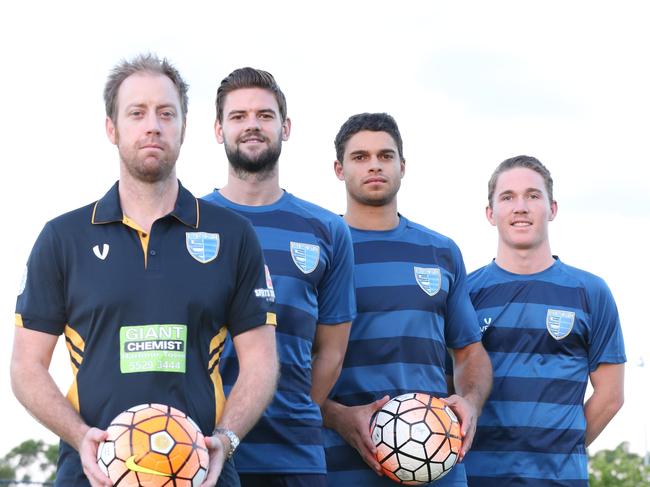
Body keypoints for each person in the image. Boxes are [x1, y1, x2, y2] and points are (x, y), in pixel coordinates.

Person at [11, 54, 279, 487]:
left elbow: (261, 363)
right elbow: (26, 366)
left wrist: (225, 440)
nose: (152, 125)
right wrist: (80, 437)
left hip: (202, 473)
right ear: (112, 128)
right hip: (91, 475)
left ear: (183, 127)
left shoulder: (233, 235)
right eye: (137, 113)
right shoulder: (63, 238)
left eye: (166, 113)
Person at [203, 68, 356, 487]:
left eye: (264, 115)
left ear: (284, 128)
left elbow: (331, 352)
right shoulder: (188, 223)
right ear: (219, 130)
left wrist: (294, 408)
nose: (252, 124)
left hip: (295, 454)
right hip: (198, 450)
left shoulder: (326, 230)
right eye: (238, 116)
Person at [322, 112, 493, 487]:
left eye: (385, 156)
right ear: (339, 168)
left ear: (402, 165)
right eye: (360, 157)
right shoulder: (320, 248)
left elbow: (470, 353)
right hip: (339, 463)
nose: (374, 166)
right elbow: (290, 359)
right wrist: (336, 416)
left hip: (437, 461)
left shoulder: (440, 251)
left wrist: (470, 402)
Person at [463, 155, 626, 486]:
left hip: (560, 480)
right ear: (490, 213)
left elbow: (610, 395)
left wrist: (561, 450)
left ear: (552, 208)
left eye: (532, 196)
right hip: (477, 476)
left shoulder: (590, 292)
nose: (520, 207)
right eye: (507, 197)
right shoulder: (465, 293)